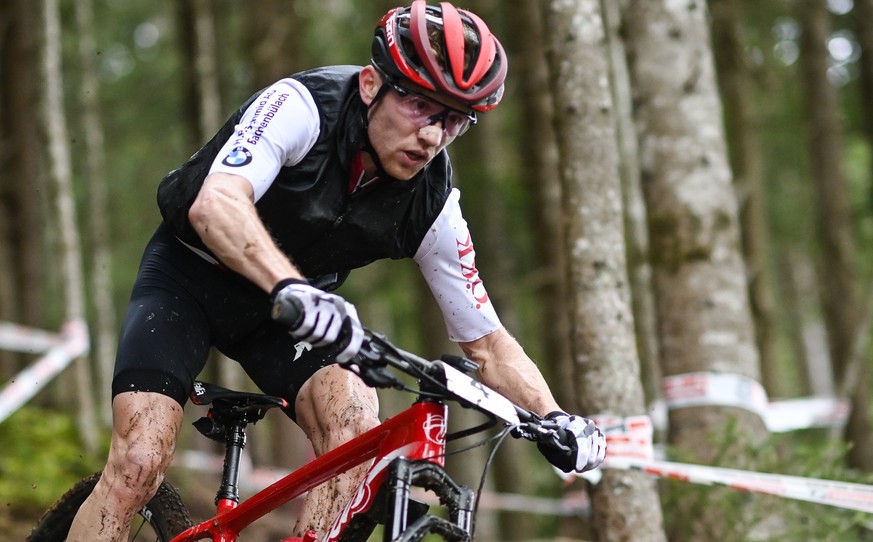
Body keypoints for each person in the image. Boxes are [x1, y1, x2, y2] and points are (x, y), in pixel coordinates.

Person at [67, 1, 606, 540]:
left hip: (288, 317)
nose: (433, 135)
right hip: (190, 279)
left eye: (454, 120)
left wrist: (553, 415)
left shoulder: (432, 203)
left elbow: (486, 342)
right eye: (420, 105)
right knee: (139, 460)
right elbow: (217, 204)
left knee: (354, 429)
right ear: (372, 84)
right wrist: (293, 287)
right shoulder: (302, 106)